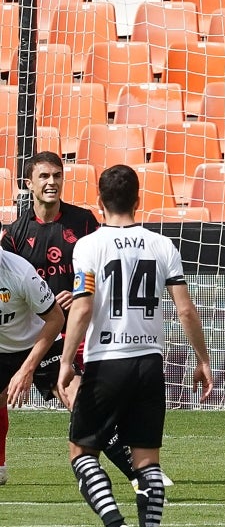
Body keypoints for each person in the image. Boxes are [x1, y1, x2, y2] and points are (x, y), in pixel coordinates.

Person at [58, 165, 213, 527]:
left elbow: (83, 307)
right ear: (138, 200)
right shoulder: (162, 245)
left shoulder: (89, 245)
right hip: (149, 364)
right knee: (148, 462)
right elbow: (185, 309)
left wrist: (66, 361)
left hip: (107, 362)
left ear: (99, 202)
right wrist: (202, 359)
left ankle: (114, 526)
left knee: (81, 451)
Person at [1, 151, 152, 488]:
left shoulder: (83, 222)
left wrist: (80, 292)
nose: (51, 182)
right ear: (28, 184)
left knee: (80, 399)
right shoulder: (14, 234)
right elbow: (8, 289)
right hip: (30, 332)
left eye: (57, 175)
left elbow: (108, 267)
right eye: (43, 176)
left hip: (76, 328)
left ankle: (139, 471)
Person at [0, 247, 65, 484]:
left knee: (74, 396)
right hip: (2, 348)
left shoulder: (19, 271)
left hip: (39, 341)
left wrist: (26, 370)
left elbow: (56, 318)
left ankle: (137, 465)